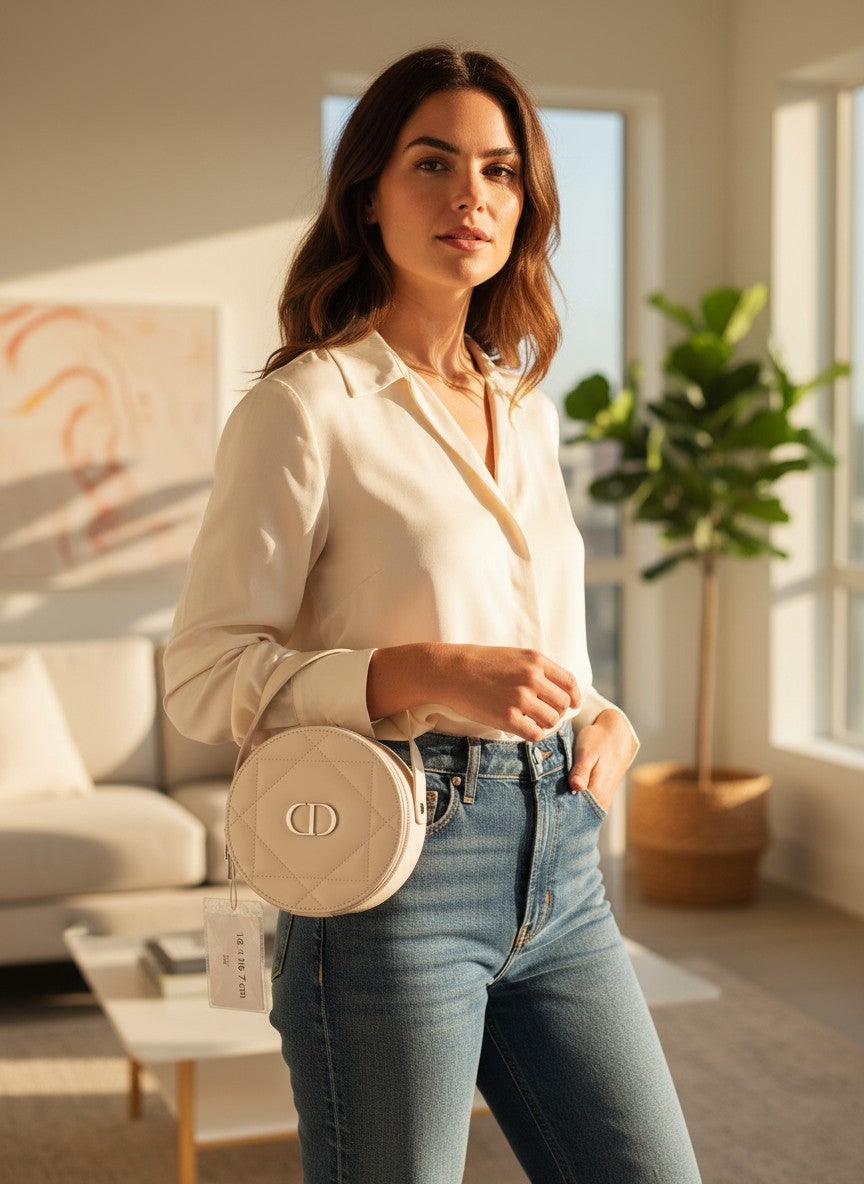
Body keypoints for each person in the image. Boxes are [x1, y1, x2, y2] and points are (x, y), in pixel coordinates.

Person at [163, 44, 701, 1184]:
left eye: (501, 171)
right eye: (434, 161)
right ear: (369, 194)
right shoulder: (305, 407)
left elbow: (551, 645)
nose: (472, 195)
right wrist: (408, 671)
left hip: (562, 861)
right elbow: (205, 675)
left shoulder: (525, 405)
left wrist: (607, 718)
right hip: (392, 874)